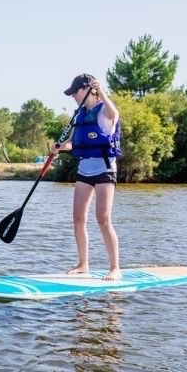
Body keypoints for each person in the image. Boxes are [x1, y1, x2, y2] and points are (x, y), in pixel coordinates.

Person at [54, 73, 122, 281]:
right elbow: (74, 142)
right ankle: (83, 264)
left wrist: (101, 90)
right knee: (78, 219)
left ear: (85, 90)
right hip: (85, 169)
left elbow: (114, 113)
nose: (73, 96)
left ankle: (115, 268)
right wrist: (59, 147)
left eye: (75, 92)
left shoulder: (103, 110)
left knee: (102, 219)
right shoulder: (80, 114)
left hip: (104, 169)